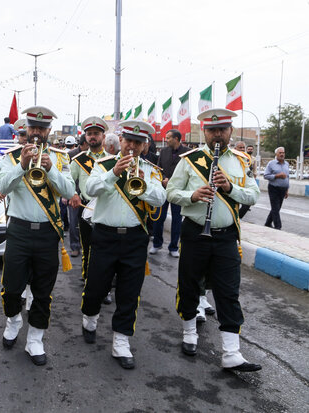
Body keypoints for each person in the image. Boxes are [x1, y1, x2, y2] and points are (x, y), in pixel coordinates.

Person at [167, 108, 261, 372]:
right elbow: (171, 191)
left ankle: (231, 352)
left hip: (227, 235)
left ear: (230, 131)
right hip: (195, 232)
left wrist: (231, 188)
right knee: (188, 284)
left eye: (222, 130)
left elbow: (253, 196)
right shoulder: (190, 160)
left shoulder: (242, 161)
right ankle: (189, 333)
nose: (217, 134)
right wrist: (192, 196)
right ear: (204, 132)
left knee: (228, 291)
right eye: (212, 130)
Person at [81, 120, 165, 369]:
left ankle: (121, 341)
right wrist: (114, 173)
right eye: (129, 141)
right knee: (96, 286)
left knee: (129, 292)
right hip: (105, 235)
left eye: (138, 143)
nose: (132, 146)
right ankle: (90, 317)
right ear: (121, 140)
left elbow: (160, 199)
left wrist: (144, 183)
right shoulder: (103, 164)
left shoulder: (150, 170)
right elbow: (89, 191)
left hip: (135, 238)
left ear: (145, 145)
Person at [0, 106, 75, 366]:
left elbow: (69, 191)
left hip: (47, 233)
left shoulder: (61, 157)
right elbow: (2, 187)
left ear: (49, 131)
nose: (37, 133)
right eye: (33, 128)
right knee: (11, 288)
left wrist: (50, 169)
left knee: (43, 290)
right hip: (18, 230)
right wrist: (22, 165)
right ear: (26, 129)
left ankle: (35, 339)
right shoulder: (11, 157)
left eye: (42, 128)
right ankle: (13, 319)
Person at [69, 116, 109, 277]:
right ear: (85, 137)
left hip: (106, 209)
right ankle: (88, 278)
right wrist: (73, 194)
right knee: (87, 246)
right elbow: (67, 180)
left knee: (105, 248)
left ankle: (105, 284)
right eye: (89, 133)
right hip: (85, 208)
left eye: (96, 133)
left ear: (103, 136)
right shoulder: (79, 160)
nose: (92, 136)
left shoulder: (112, 160)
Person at [150, 129, 190, 258]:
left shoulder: (188, 152)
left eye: (168, 138)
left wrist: (173, 182)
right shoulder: (164, 151)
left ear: (177, 139)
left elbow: (189, 171)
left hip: (179, 191)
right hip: (163, 190)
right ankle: (156, 244)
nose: (166, 140)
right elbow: (158, 168)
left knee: (177, 220)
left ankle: (173, 247)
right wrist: (162, 179)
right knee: (158, 218)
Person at [263, 147, 289, 230]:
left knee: (277, 208)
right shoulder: (271, 164)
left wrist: (287, 189)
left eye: (283, 152)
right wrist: (277, 176)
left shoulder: (287, 164)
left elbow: (287, 177)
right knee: (275, 208)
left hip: (283, 189)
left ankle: (267, 223)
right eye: (280, 153)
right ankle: (278, 227)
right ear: (276, 154)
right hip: (273, 188)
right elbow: (265, 175)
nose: (282, 154)